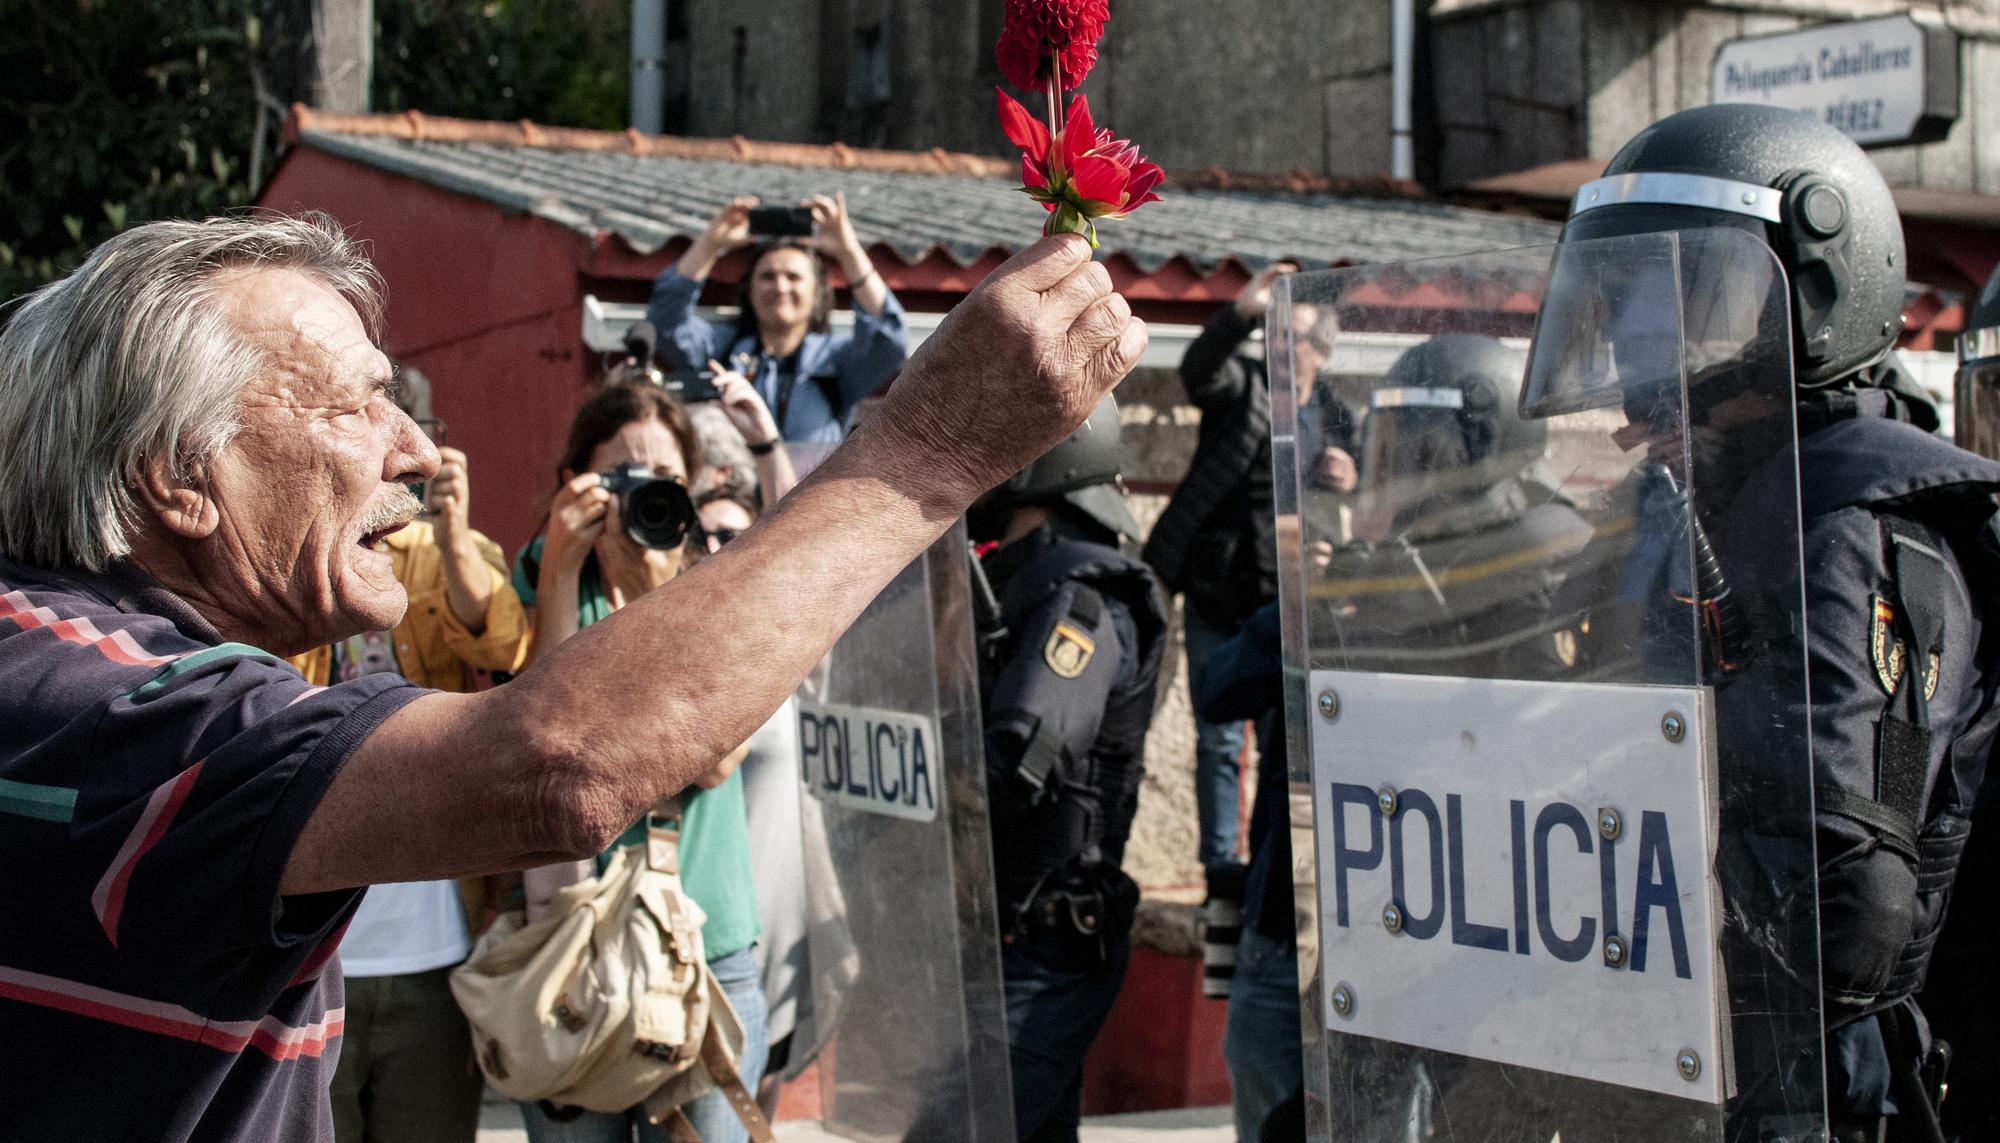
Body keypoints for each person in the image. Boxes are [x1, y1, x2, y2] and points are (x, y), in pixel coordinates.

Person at [0, 213, 1145, 1141]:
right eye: (352, 404)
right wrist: (927, 453)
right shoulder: (112, 708)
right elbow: (556, 768)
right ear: (176, 480)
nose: (411, 450)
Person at [1528, 104, 2000, 1143]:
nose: (1638, 339)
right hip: (1669, 1064)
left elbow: (1849, 914)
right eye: (1623, 299)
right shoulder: (1705, 508)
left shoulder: (1846, 530)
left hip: (1802, 1094)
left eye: (1682, 295)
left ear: (1815, 292)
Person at [508, 383, 768, 1143]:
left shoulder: (721, 580)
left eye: (665, 475)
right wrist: (559, 570)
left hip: (706, 946)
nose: (647, 490)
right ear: (577, 483)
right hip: (575, 947)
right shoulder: (549, 569)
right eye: (624, 474)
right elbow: (543, 739)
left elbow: (717, 759)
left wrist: (660, 602)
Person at [284, 369, 531, 1143]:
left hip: (432, 941)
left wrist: (453, 533)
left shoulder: (440, 551)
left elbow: (503, 641)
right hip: (314, 956)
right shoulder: (294, 557)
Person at [1142, 262, 1351, 986]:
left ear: (1323, 351)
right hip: (1217, 589)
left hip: (1291, 600)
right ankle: (1221, 868)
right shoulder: (1243, 389)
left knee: (1288, 734)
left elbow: (1381, 489)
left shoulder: (1341, 416)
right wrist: (1242, 309)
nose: (1284, 348)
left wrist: (1353, 475)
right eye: (1277, 335)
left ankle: (1274, 859)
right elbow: (1198, 370)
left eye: (1297, 338)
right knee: (1216, 732)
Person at [969, 396, 1168, 1143]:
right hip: (1011, 939)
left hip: (1046, 945)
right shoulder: (1020, 581)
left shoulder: (1080, 596)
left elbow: (1025, 753)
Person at [647, 194, 906, 445]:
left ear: (818, 294)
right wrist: (711, 243)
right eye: (767, 277)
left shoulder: (834, 360)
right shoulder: (720, 350)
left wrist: (849, 252)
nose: (781, 287)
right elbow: (664, 323)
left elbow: (888, 340)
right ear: (749, 290)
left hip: (809, 487)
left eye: (794, 277)